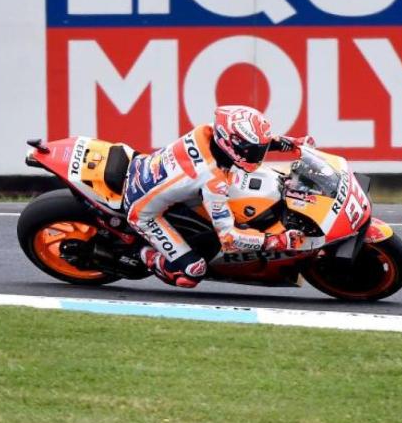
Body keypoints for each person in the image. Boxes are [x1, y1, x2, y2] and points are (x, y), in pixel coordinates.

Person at [123, 105, 312, 288]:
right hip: (141, 211)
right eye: (253, 151)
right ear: (231, 145)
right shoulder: (213, 181)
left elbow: (250, 143)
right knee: (192, 271)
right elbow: (230, 238)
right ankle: (141, 253)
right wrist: (276, 241)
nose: (258, 156)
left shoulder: (208, 130)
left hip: (144, 168)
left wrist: (290, 144)